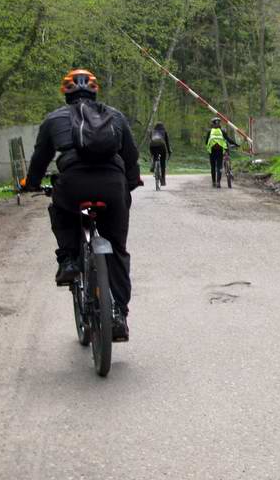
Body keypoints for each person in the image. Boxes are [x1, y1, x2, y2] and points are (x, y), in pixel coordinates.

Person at [21, 69, 140, 341]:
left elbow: (40, 159)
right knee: (118, 250)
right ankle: (119, 315)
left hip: (73, 185)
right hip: (112, 186)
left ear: (66, 93)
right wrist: (130, 184)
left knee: (60, 210)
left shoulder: (54, 119)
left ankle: (68, 261)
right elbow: (131, 157)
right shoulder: (116, 116)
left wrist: (31, 184)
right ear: (95, 91)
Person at [205, 116, 237, 188]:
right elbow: (228, 139)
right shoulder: (222, 131)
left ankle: (214, 182)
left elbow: (206, 142)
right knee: (219, 166)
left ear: (212, 124)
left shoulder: (210, 131)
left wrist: (209, 147)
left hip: (212, 150)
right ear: (220, 124)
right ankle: (218, 183)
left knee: (213, 167)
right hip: (220, 150)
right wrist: (235, 144)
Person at [149, 122, 171, 186]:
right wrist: (169, 152)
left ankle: (153, 164)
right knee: (162, 162)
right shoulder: (164, 132)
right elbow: (167, 143)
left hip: (152, 146)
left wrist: (151, 154)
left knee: (155, 156)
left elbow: (151, 141)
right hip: (162, 146)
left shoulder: (152, 132)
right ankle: (163, 180)